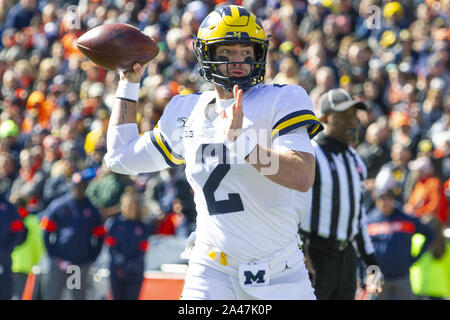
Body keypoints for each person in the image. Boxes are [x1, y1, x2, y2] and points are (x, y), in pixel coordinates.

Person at [105, 5, 323, 300]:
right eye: (227, 52)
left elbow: (301, 176)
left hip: (279, 273)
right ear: (205, 53)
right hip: (211, 270)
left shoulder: (283, 99)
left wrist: (242, 143)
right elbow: (120, 158)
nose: (239, 61)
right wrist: (128, 84)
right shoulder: (186, 110)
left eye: (247, 53)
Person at [299, 88, 380, 300]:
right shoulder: (310, 153)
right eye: (343, 116)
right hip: (316, 254)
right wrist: (300, 252)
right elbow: (290, 208)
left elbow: (358, 216)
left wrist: (371, 262)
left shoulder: (355, 159)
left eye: (354, 115)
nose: (352, 121)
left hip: (346, 258)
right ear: (324, 118)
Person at [40, 168, 105, 300]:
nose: (78, 189)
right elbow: (46, 231)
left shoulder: (91, 210)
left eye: (81, 186)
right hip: (60, 260)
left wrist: (91, 257)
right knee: (53, 294)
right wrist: (52, 254)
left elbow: (100, 236)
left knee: (76, 296)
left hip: (79, 263)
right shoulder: (58, 206)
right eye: (76, 186)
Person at [366, 187, 435, 300]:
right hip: (378, 276)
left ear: (393, 201)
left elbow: (429, 233)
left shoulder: (406, 219)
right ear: (377, 201)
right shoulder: (369, 220)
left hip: (401, 276)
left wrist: (415, 258)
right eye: (382, 199)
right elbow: (362, 248)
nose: (385, 202)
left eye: (388, 199)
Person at [104, 186, 152, 300]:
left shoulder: (143, 226)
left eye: (133, 205)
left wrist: (131, 264)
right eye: (128, 205)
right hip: (117, 272)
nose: (131, 208)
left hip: (135, 273)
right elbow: (111, 246)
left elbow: (143, 249)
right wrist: (120, 261)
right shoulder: (115, 224)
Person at [0, 192, 27, 300]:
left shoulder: (8, 207)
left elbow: (18, 232)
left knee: (5, 292)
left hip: (4, 260)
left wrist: (5, 252)